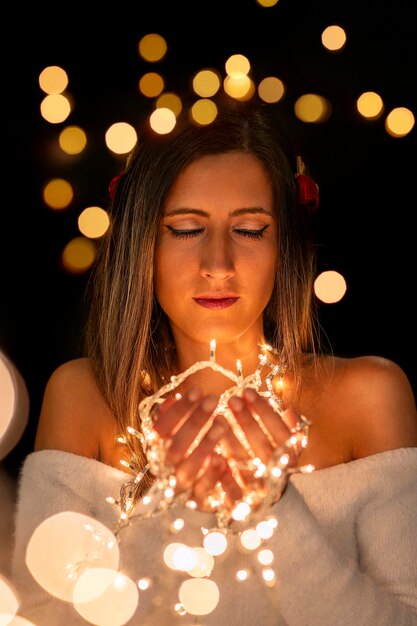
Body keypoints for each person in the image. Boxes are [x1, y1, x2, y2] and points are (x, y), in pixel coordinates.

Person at [11, 94, 417, 626]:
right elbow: (45, 618)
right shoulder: (86, 398)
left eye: (249, 230)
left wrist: (273, 511)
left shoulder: (368, 398)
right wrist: (173, 514)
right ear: (143, 243)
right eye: (186, 229)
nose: (218, 265)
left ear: (283, 245)